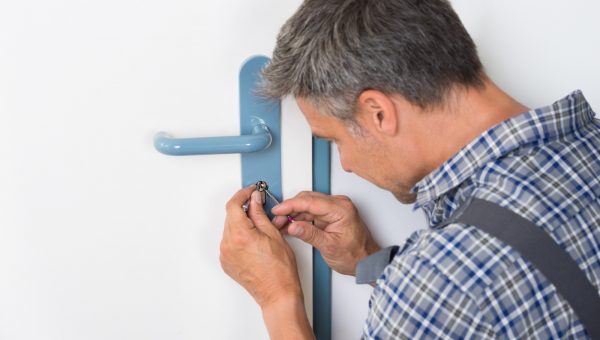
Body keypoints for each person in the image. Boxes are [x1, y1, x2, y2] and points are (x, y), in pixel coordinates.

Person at [219, 0, 600, 338]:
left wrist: (277, 298)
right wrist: (370, 259)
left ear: (379, 113)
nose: (346, 166)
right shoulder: (588, 144)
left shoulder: (441, 282)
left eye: (334, 140)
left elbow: (453, 295)